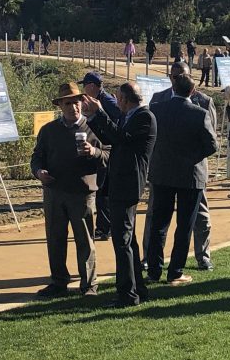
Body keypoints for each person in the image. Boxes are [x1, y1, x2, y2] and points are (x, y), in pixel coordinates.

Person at [30, 82, 107, 298]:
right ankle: (58, 282)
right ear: (60, 106)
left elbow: (110, 155)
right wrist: (38, 172)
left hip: (82, 193)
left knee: (85, 240)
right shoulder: (49, 130)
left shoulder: (94, 128)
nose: (73, 107)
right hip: (54, 192)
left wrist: (94, 152)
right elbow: (37, 157)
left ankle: (89, 285)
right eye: (68, 103)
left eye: (76, 102)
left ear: (82, 102)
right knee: (55, 239)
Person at [83, 82, 156, 306]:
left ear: (125, 99)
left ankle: (127, 294)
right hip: (120, 183)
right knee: (128, 240)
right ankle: (137, 289)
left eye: (118, 98)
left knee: (122, 242)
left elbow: (121, 138)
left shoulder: (145, 117)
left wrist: (100, 113)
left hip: (128, 184)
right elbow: (111, 138)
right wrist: (94, 118)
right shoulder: (131, 116)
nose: (117, 102)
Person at [146, 73, 218, 285]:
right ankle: (175, 271)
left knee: (159, 224)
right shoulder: (199, 113)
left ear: (173, 88)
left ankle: (153, 270)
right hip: (190, 175)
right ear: (193, 92)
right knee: (184, 225)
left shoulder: (157, 110)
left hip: (162, 174)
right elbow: (212, 145)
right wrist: (191, 158)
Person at [80, 72, 121, 242]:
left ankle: (105, 228)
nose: (83, 89)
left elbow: (119, 118)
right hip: (104, 149)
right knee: (103, 191)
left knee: (104, 191)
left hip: (109, 152)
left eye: (85, 85)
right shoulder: (99, 100)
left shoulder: (106, 101)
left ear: (91, 86)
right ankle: (106, 227)